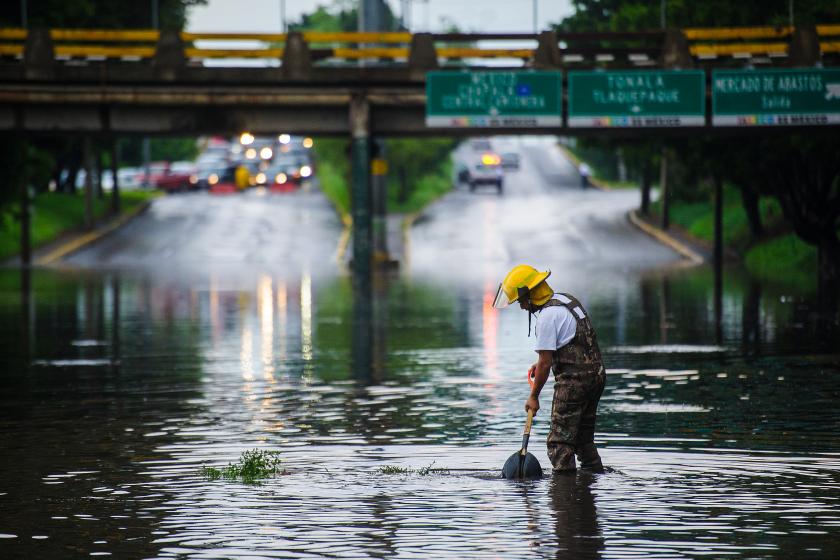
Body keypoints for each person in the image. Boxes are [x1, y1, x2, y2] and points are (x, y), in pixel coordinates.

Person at [492, 264, 606, 472]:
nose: (522, 306)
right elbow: (572, 343)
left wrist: (534, 396)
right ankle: (592, 482)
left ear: (530, 294)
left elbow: (545, 363)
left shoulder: (546, 317)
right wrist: (549, 360)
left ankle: (565, 494)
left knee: (559, 444)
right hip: (596, 378)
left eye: (521, 301)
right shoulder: (567, 300)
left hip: (574, 383)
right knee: (582, 440)